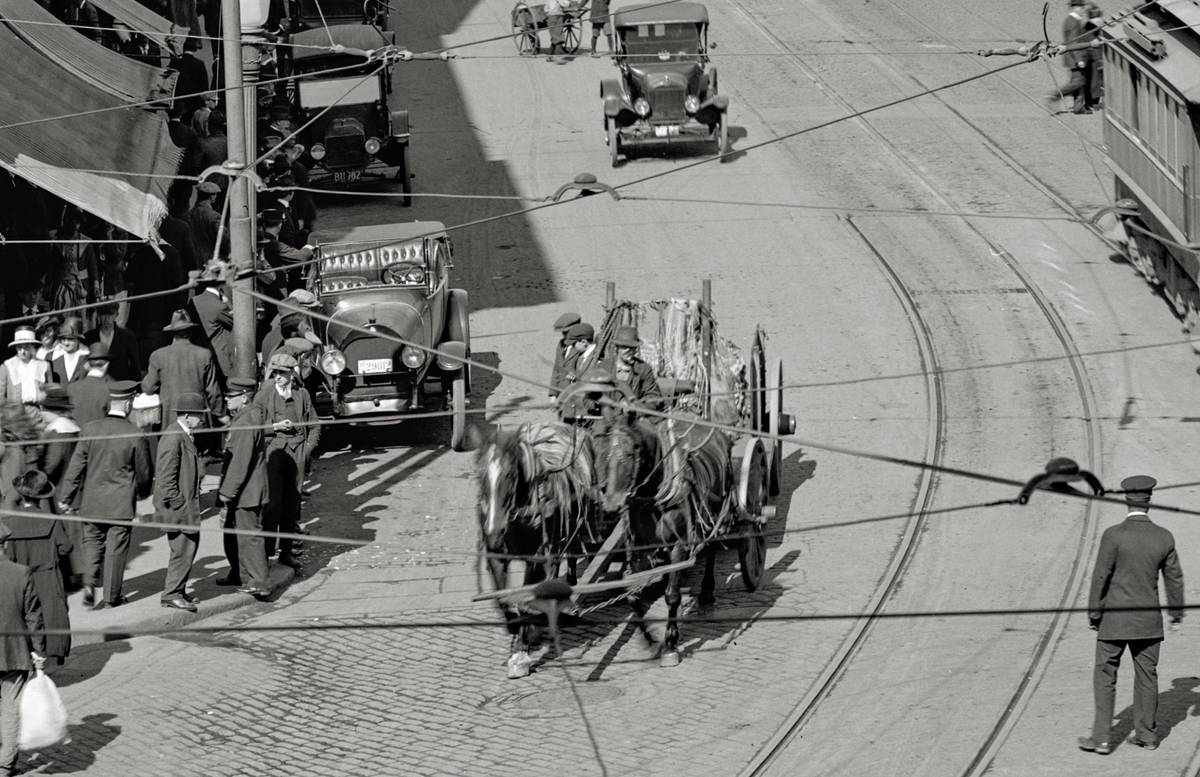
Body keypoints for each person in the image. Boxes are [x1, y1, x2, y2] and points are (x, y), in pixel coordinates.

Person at [1079, 475, 1185, 755]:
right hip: (1149, 624)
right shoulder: (1164, 537)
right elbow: (1174, 579)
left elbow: (1100, 577)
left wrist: (1094, 613)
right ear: (1149, 501)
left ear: (1127, 500)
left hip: (1114, 621)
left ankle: (1101, 738)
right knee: (1147, 676)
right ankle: (1147, 736)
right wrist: (1176, 613)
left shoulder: (1113, 535)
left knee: (1105, 674)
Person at [58, 380, 154, 609]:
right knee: (116, 550)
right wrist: (142, 494)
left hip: (92, 502)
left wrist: (66, 497)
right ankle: (112, 596)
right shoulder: (135, 434)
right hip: (120, 505)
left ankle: (90, 584)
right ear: (129, 402)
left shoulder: (90, 429)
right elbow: (144, 474)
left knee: (92, 543)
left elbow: (76, 467)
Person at [254, 352, 319, 568]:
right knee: (271, 504)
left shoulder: (302, 395)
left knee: (292, 505)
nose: (278, 376)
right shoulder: (264, 395)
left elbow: (315, 424)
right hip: (273, 452)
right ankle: (266, 552)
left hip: (297, 453)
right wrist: (274, 427)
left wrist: (307, 449)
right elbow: (253, 427)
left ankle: (286, 551)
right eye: (275, 372)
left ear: (292, 373)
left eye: (282, 373)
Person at [5, 471, 72, 665]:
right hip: (48, 575)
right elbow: (66, 547)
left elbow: (7, 555)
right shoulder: (50, 519)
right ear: (41, 497)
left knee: (23, 616)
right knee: (52, 614)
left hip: (20, 577)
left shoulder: (9, 522)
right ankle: (51, 656)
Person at [154, 392, 208, 612]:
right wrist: (178, 503)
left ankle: (179, 590)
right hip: (179, 508)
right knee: (182, 551)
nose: (202, 420)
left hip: (185, 505)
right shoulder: (173, 437)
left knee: (188, 548)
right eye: (199, 416)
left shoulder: (182, 434)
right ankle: (172, 594)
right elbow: (166, 477)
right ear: (187, 416)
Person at [216, 378, 270, 596]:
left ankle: (259, 582)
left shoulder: (246, 421)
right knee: (243, 536)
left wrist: (227, 492)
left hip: (247, 492)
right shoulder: (245, 418)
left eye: (231, 397)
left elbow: (240, 460)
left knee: (250, 538)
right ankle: (247, 578)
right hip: (248, 490)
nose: (227, 400)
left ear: (245, 397)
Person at [0, 521, 45, 777]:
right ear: (5, 544)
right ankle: (5, 764)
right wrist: (38, 650)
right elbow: (33, 617)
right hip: (14, 652)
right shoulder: (21, 572)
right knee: (10, 708)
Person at [141, 309, 227, 427]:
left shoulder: (158, 356)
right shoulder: (204, 354)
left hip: (169, 419)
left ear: (171, 333)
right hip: (198, 418)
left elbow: (148, 388)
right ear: (191, 332)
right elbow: (213, 390)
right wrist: (220, 414)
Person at [1047, 0, 1102, 114]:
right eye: (1082, 7)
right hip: (1075, 58)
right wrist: (1080, 60)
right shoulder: (1073, 22)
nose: (1084, 10)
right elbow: (1074, 43)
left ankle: (1078, 108)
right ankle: (1054, 95)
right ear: (1076, 7)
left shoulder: (1073, 20)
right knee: (1078, 83)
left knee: (1080, 82)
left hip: (1074, 57)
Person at [188, 264, 235, 382]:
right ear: (221, 284)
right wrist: (227, 301)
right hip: (219, 363)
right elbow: (237, 323)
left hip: (199, 360)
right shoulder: (220, 306)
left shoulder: (194, 301)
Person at [84, 303, 141, 382]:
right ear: (98, 315)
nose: (107, 318)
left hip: (120, 383)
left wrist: (136, 386)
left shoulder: (127, 336)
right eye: (103, 314)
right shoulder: (89, 336)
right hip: (95, 383)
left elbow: (135, 364)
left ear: (116, 314)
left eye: (110, 314)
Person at [605, 326, 661, 403]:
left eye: (631, 347)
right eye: (624, 347)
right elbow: (587, 396)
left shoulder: (644, 369)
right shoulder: (603, 368)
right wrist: (600, 403)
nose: (628, 350)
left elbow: (652, 397)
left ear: (635, 349)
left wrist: (635, 408)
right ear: (617, 347)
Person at [0, 327, 51, 406]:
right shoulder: (7, 366)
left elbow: (51, 391)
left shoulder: (43, 365)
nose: (23, 351)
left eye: (26, 347)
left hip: (38, 410)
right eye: (19, 348)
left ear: (32, 346)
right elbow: (1, 396)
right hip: (16, 412)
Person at [66, 342, 114, 426]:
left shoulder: (71, 388)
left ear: (87, 364)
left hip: (74, 437)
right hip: (98, 436)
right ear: (107, 365)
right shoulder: (110, 390)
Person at [184, 182, 227, 262]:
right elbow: (225, 239)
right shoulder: (214, 216)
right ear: (212, 198)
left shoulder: (186, 215)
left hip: (192, 261)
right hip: (211, 263)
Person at [549, 312, 581, 398]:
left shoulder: (582, 347)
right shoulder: (561, 345)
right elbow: (556, 370)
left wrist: (576, 376)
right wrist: (553, 394)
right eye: (563, 333)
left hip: (576, 395)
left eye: (567, 332)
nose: (564, 335)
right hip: (562, 394)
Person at [49, 318, 89, 386]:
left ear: (78, 339)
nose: (66, 343)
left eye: (70, 339)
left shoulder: (87, 358)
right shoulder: (51, 357)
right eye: (63, 339)